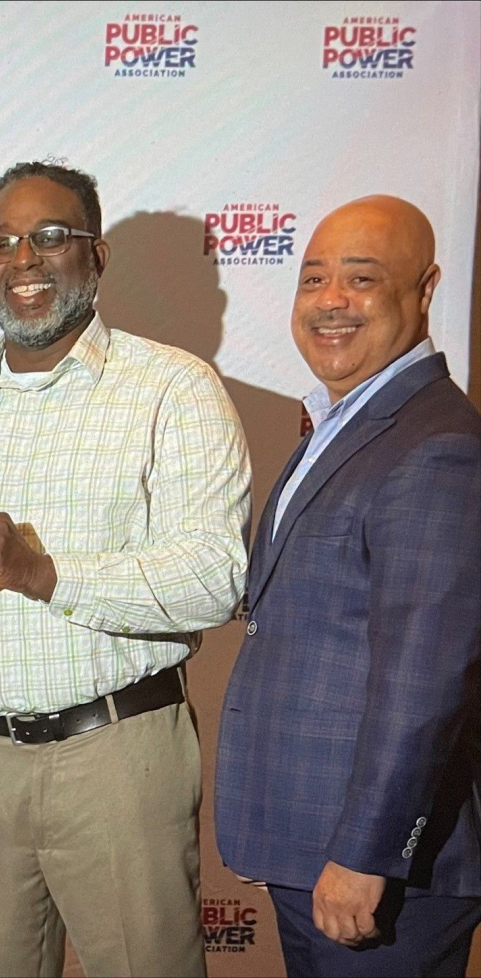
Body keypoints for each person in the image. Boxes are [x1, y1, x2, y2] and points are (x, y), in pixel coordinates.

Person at [0, 161, 250, 977]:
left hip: (116, 758)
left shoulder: (173, 391)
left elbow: (217, 577)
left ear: (98, 255)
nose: (25, 260)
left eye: (51, 236)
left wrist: (46, 573)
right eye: (3, 241)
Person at [215, 196, 481, 977]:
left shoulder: (436, 447)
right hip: (310, 852)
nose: (330, 301)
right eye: (314, 278)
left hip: (375, 870)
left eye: (361, 280)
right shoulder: (345, 426)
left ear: (425, 290)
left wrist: (367, 856)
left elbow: (424, 682)